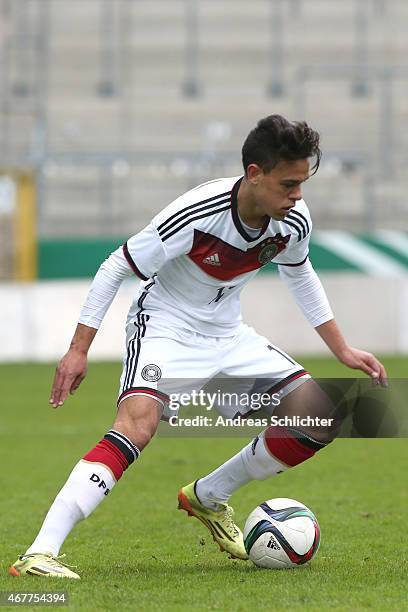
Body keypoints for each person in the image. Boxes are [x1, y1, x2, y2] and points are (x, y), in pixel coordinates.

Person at [9, 115, 387, 578]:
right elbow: (115, 266)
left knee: (319, 418)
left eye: (302, 184)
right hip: (165, 327)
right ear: (254, 174)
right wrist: (78, 349)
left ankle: (208, 496)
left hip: (227, 335)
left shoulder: (292, 220)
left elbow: (300, 272)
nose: (298, 196)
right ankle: (40, 553)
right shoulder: (197, 212)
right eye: (289, 185)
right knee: (138, 425)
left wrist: (342, 349)